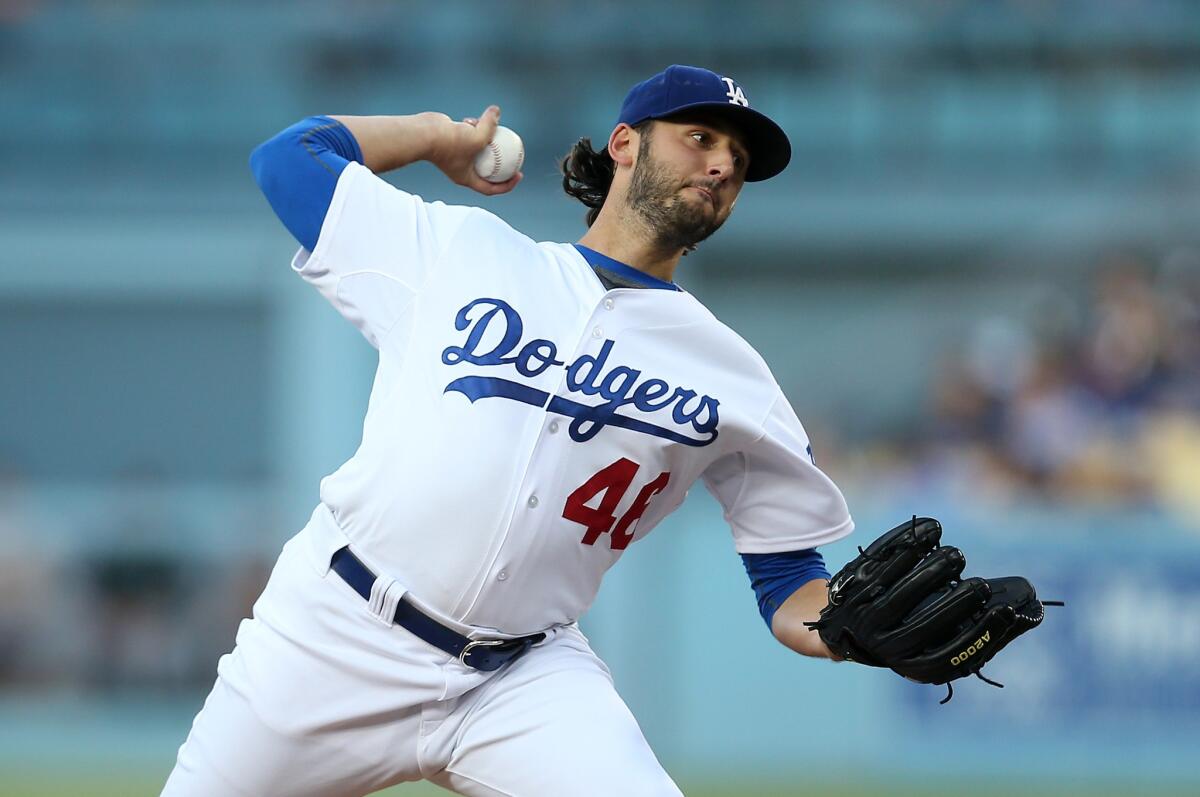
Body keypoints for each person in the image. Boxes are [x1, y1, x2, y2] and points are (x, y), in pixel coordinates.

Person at [162, 65, 853, 797]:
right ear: (626, 144)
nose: (720, 164)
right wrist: (435, 136)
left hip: (522, 679)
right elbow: (288, 159)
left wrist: (847, 631)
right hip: (334, 634)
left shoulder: (734, 374)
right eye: (699, 137)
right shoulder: (463, 252)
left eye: (738, 163)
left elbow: (786, 578)